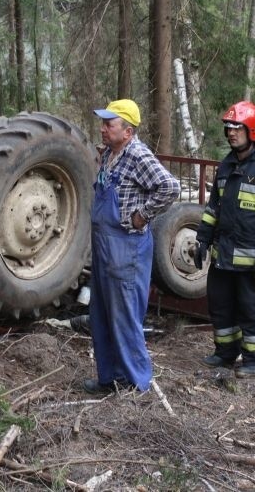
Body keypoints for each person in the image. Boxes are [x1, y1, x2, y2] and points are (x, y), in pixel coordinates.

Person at [84, 99, 180, 394]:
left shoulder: (138, 154)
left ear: (127, 130)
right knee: (100, 313)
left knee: (125, 315)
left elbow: (170, 187)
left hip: (127, 248)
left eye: (109, 124)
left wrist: (142, 215)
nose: (102, 129)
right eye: (103, 123)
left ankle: (138, 384)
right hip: (103, 247)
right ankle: (109, 378)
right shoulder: (109, 154)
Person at [195, 101, 255, 378]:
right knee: (220, 306)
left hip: (251, 261)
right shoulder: (226, 166)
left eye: (237, 127)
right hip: (222, 258)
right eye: (228, 127)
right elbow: (214, 209)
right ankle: (225, 353)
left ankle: (254, 360)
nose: (231, 133)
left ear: (253, 131)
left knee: (252, 310)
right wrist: (202, 239)